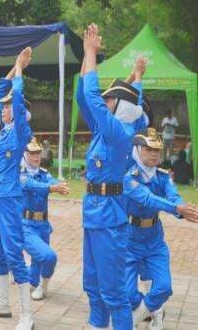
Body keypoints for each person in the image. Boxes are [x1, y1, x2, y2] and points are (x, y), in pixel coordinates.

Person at [76, 24, 145, 329]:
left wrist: (91, 52)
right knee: (92, 285)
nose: (104, 103)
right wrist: (135, 77)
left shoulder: (119, 132)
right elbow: (84, 97)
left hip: (109, 217)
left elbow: (94, 98)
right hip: (93, 213)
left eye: (110, 101)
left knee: (114, 293)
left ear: (120, 107)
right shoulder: (107, 130)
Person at [0, 47, 34, 330]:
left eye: (8, 106)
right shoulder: (4, 129)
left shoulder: (21, 130)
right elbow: (1, 89)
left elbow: (17, 98)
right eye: (3, 107)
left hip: (10, 198)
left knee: (13, 251)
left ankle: (27, 314)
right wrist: (13, 67)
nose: (3, 108)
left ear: (19, 110)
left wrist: (21, 70)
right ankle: (2, 303)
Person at [123, 128, 198, 329]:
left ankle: (137, 318)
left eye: (158, 150)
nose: (155, 154)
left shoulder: (163, 177)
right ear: (138, 150)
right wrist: (176, 208)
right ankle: (153, 310)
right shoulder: (129, 177)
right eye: (149, 149)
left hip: (154, 241)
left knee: (163, 288)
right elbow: (147, 198)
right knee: (128, 295)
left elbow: (173, 196)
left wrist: (181, 209)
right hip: (129, 241)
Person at [20, 137, 70, 301]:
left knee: (37, 262)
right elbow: (31, 186)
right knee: (49, 256)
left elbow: (53, 182)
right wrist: (52, 188)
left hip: (43, 225)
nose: (36, 156)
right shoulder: (20, 174)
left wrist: (59, 186)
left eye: (38, 153)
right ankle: (43, 286)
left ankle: (33, 281)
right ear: (25, 154)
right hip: (26, 225)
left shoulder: (44, 174)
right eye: (32, 153)